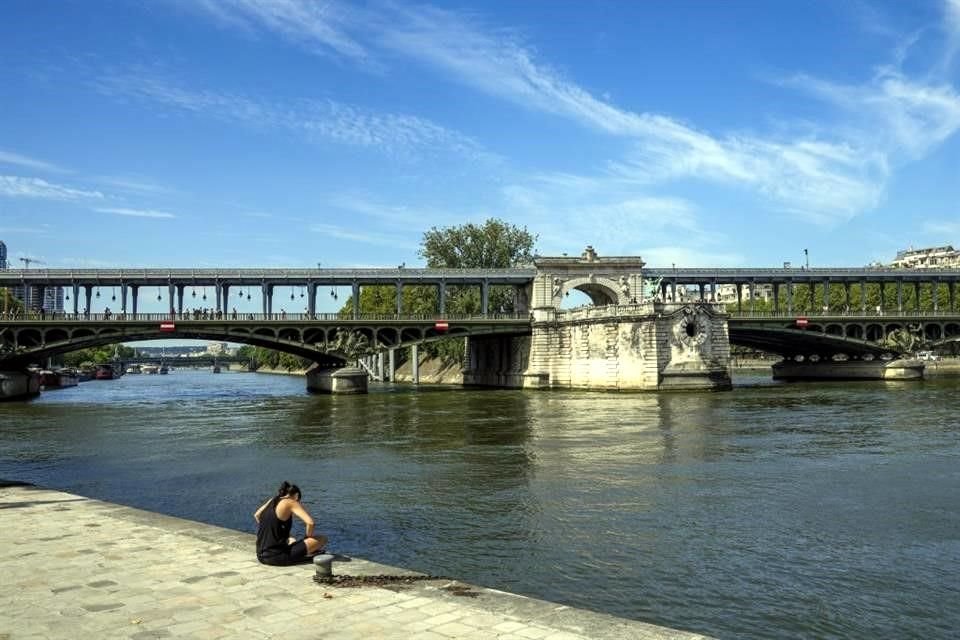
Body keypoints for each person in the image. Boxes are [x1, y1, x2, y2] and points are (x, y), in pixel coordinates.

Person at [254, 481, 327, 566]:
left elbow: (257, 515)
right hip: (277, 557)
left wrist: (275, 531)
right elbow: (310, 523)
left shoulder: (272, 500)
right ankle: (306, 553)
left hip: (261, 555)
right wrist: (307, 538)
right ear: (296, 495)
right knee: (322, 539)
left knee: (292, 539)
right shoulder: (290, 502)